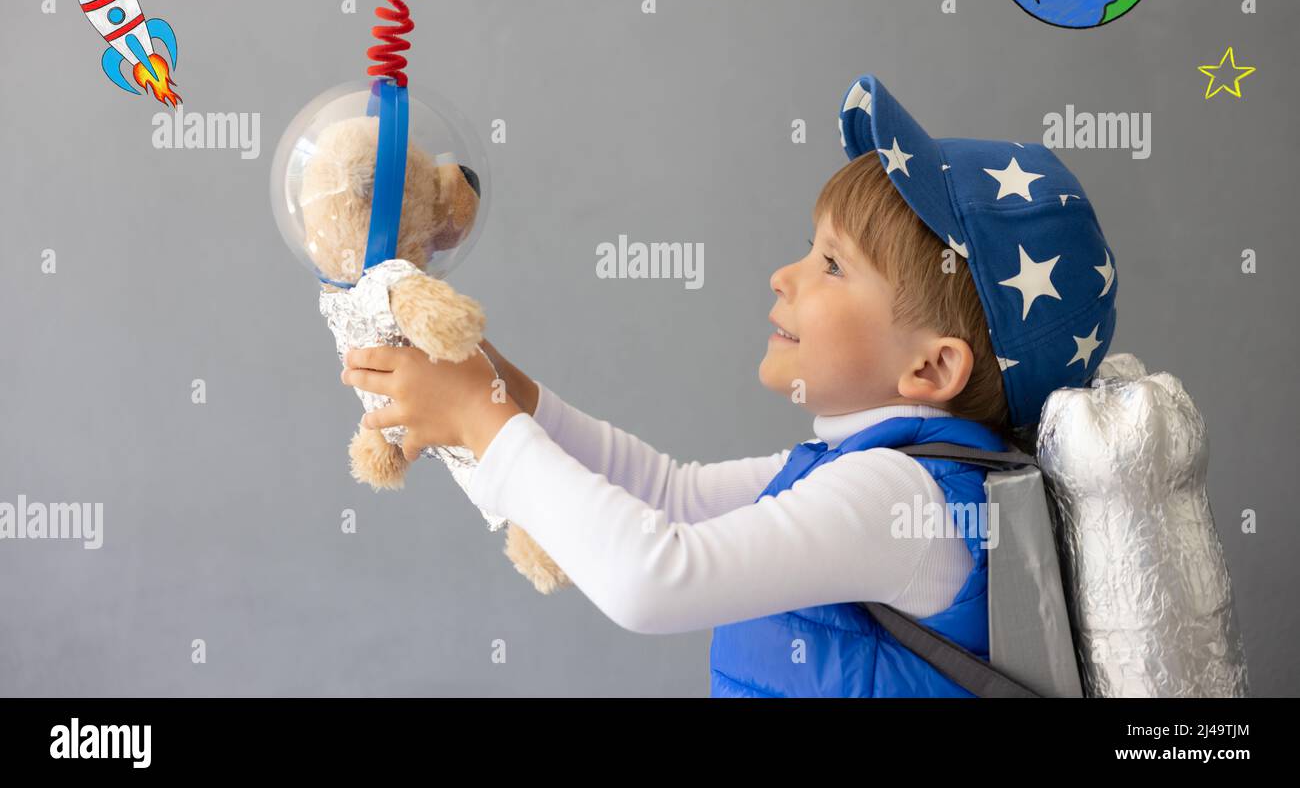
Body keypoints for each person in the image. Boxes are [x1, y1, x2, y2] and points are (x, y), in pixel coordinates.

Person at [340, 74, 1118, 697]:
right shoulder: (877, 471)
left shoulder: (899, 497)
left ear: (933, 369)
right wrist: (502, 388)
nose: (785, 276)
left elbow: (655, 578)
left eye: (831, 265)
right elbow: (669, 495)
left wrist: (483, 422)